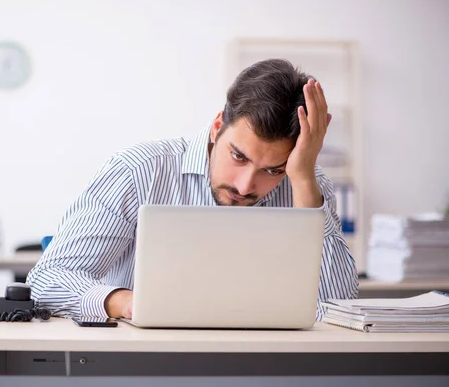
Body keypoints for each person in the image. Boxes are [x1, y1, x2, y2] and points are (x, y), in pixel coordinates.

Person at [26, 59, 359, 321]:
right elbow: (47, 281)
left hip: (258, 366)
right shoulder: (139, 171)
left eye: (273, 169)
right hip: (143, 362)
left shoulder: (305, 186)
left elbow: (340, 308)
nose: (245, 186)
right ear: (217, 127)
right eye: (238, 156)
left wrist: (301, 180)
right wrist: (127, 302)